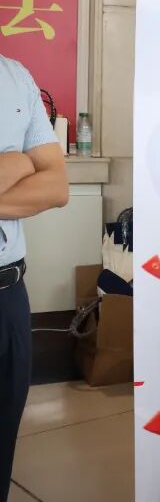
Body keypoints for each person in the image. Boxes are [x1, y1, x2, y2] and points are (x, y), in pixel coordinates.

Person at [0, 55, 70, 502]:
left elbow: (57, 186)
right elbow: (37, 170)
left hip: (7, 295)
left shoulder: (14, 77)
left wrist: (28, 165)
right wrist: (18, 164)